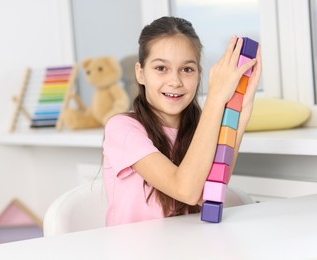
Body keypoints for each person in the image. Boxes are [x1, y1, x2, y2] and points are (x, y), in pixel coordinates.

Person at [102, 16, 261, 226]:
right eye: (161, 68)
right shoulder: (121, 128)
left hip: (186, 246)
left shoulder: (202, 130)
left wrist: (243, 106)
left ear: (198, 75)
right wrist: (216, 98)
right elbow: (186, 190)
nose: (175, 81)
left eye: (187, 69)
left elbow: (209, 193)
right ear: (140, 73)